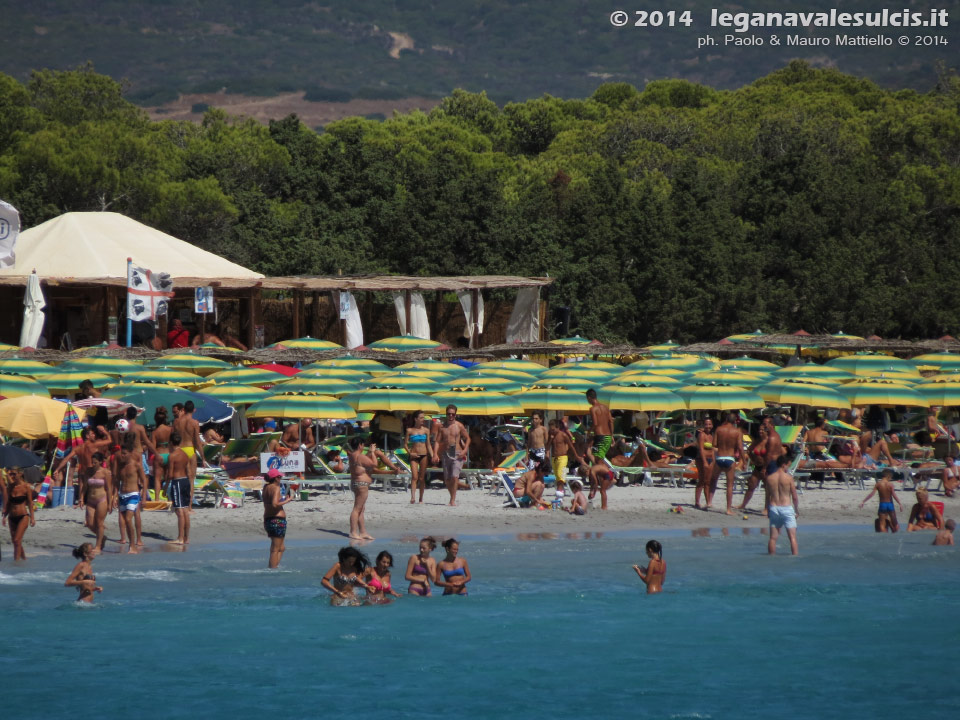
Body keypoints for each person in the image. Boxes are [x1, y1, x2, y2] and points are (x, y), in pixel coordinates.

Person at [346, 436, 398, 541]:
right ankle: (353, 532)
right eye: (363, 444)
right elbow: (374, 464)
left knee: (361, 508)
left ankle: (363, 532)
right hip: (361, 484)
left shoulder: (352, 455)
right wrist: (373, 452)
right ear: (360, 445)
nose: (364, 446)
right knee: (357, 508)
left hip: (357, 483)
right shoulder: (359, 456)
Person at [116, 433, 147, 553]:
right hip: (122, 494)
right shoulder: (121, 466)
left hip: (133, 494)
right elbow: (116, 480)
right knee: (125, 520)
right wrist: (114, 496)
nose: (122, 456)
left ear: (130, 453)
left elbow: (144, 480)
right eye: (121, 453)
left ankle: (132, 545)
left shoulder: (136, 465)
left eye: (124, 454)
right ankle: (131, 543)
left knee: (129, 519)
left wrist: (144, 497)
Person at [765, 453, 799, 555]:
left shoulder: (770, 478)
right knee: (792, 537)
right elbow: (795, 497)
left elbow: (767, 496)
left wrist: (767, 509)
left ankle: (771, 558)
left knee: (773, 538)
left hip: (774, 508)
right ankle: (795, 558)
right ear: (783, 465)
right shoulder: (788, 478)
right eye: (788, 465)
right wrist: (796, 510)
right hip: (786, 508)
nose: (788, 468)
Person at [436, 404, 470, 506]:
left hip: (457, 452)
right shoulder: (442, 427)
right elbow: (437, 441)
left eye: (453, 414)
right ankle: (452, 496)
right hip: (446, 452)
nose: (451, 416)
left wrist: (465, 450)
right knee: (447, 479)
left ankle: (452, 500)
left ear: (456, 415)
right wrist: (434, 454)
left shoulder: (459, 425)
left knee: (454, 477)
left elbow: (468, 438)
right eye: (449, 414)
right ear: (446, 414)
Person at [80, 452, 112, 552]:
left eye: (95, 463)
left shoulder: (105, 472)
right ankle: (102, 537)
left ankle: (98, 546)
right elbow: (84, 486)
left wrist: (110, 503)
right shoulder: (88, 471)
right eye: (92, 462)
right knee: (89, 523)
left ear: (101, 462)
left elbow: (109, 488)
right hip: (90, 500)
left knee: (99, 523)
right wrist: (81, 498)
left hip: (102, 500)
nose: (93, 464)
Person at [167, 432, 195, 545]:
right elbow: (189, 471)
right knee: (185, 510)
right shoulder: (185, 454)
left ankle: (180, 538)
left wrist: (165, 487)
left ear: (170, 443)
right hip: (185, 481)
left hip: (177, 481)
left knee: (180, 511)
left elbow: (170, 474)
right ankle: (186, 538)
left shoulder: (172, 456)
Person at [262, 467, 293, 568]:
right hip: (277, 520)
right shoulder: (276, 487)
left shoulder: (266, 487)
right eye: (279, 477)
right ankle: (272, 570)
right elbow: (275, 504)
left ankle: (274, 566)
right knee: (275, 549)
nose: (280, 479)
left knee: (281, 548)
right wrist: (287, 501)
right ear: (275, 478)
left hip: (268, 520)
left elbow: (270, 502)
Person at [3, 468, 36, 561]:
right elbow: (9, 503)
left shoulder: (26, 487)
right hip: (11, 518)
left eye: (13, 474)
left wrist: (32, 518)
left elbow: (30, 503)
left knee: (17, 540)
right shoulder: (10, 487)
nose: (12, 476)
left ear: (20, 474)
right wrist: (4, 516)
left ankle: (16, 563)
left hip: (23, 517)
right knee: (15, 542)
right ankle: (24, 560)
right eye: (10, 474)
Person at [714, 412, 743, 515]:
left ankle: (709, 502)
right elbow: (740, 447)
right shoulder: (737, 431)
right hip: (730, 459)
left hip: (719, 457)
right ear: (735, 421)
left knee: (713, 481)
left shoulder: (719, 429)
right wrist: (743, 460)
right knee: (729, 485)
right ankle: (728, 509)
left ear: (726, 419)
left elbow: (714, 444)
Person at [404, 410, 434, 504]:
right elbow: (405, 444)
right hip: (414, 455)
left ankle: (421, 498)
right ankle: (413, 497)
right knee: (414, 477)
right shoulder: (409, 430)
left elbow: (428, 444)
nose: (423, 420)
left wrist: (433, 455)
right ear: (415, 419)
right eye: (421, 418)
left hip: (424, 455)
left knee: (421, 478)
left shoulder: (426, 430)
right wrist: (410, 453)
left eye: (423, 418)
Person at [172, 400, 207, 474]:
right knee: (191, 479)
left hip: (178, 450)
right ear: (194, 410)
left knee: (180, 475)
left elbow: (171, 438)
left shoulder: (176, 422)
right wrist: (203, 458)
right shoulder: (194, 423)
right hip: (189, 450)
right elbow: (197, 442)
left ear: (184, 409)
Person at [548, 418, 581, 491]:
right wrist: (550, 439)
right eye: (551, 429)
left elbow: (571, 446)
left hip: (563, 458)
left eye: (553, 429)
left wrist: (576, 455)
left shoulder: (563, 435)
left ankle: (559, 493)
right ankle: (561, 491)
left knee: (561, 476)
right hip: (554, 458)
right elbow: (547, 447)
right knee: (557, 477)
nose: (552, 431)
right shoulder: (550, 435)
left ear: (558, 427)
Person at [694, 416, 717, 510]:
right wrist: (704, 462)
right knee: (702, 481)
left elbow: (713, 450)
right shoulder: (701, 435)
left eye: (709, 424)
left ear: (712, 425)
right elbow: (701, 449)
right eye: (706, 424)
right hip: (701, 459)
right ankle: (698, 502)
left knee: (708, 481)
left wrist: (714, 461)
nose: (708, 426)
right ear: (703, 425)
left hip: (711, 459)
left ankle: (708, 502)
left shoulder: (712, 436)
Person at [585, 389, 614, 461]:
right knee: (600, 458)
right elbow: (611, 422)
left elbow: (595, 423)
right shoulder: (606, 408)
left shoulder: (593, 409)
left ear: (589, 398)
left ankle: (604, 471)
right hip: (608, 437)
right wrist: (612, 435)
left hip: (600, 437)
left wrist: (589, 431)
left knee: (596, 459)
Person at [151, 407, 173, 500]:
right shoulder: (170, 429)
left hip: (159, 454)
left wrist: (155, 454)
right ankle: (166, 494)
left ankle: (156, 499)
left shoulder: (154, 432)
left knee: (157, 478)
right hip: (168, 454)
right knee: (169, 476)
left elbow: (152, 446)